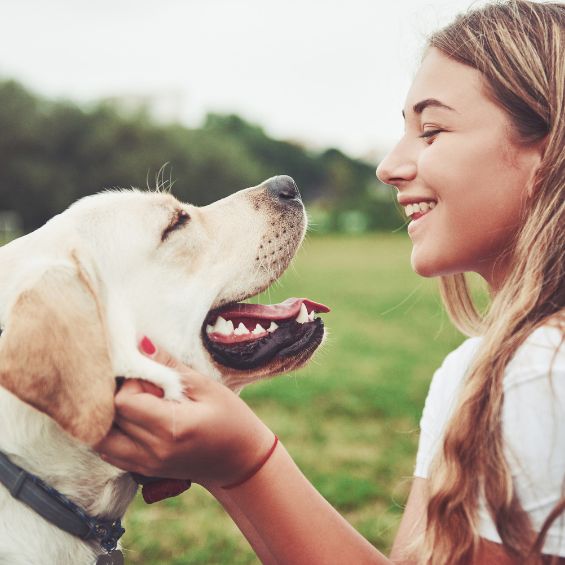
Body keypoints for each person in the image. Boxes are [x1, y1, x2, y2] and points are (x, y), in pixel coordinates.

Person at [96, 1, 565, 563]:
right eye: (406, 131)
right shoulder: (472, 372)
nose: (390, 165)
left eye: (432, 130)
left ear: (550, 150)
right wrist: (220, 462)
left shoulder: (542, 373)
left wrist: (245, 463)